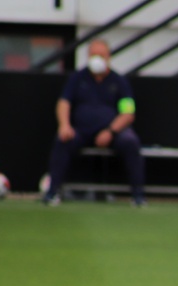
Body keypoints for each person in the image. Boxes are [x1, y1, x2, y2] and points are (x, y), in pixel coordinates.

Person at [43, 40, 146, 207]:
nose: (97, 59)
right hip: (81, 130)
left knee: (130, 141)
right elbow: (64, 103)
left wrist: (110, 131)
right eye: (93, 55)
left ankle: (138, 196)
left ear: (108, 57)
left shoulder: (119, 81)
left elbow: (128, 113)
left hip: (112, 132)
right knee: (62, 139)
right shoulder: (77, 78)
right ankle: (52, 193)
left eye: (101, 55)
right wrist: (64, 125)